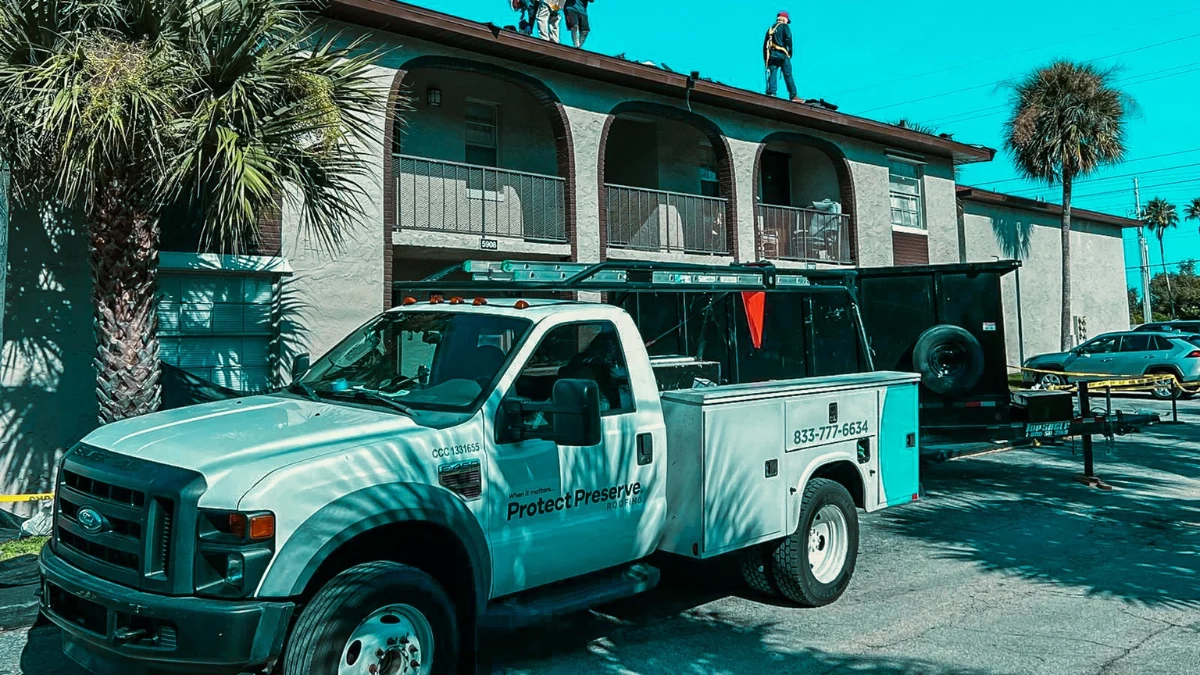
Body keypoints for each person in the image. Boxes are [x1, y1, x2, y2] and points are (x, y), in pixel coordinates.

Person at [763, 10, 799, 102]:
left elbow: (765, 45)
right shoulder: (784, 26)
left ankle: (772, 93)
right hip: (782, 54)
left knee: (773, 73)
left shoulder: (770, 29)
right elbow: (788, 38)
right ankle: (793, 95)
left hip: (771, 55)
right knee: (788, 74)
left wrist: (766, 59)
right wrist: (790, 51)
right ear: (785, 19)